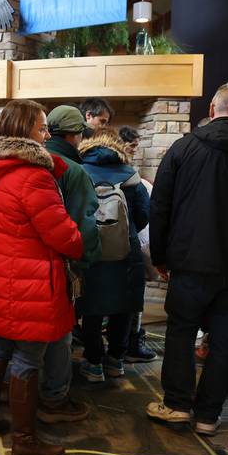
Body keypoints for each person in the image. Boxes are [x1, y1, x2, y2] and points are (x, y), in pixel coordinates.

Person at [146, 82, 228, 435]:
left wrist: (159, 256)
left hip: (190, 262)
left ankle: (177, 405)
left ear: (211, 110)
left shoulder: (183, 149)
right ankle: (208, 415)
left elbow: (159, 206)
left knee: (180, 332)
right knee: (226, 340)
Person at [0, 99, 83, 455]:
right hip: (30, 284)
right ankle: (25, 438)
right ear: (23, 131)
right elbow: (61, 234)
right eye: (41, 127)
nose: (47, 134)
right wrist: (79, 240)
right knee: (28, 358)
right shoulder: (33, 175)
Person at [36, 105, 100, 423]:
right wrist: (84, 263)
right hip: (60, 263)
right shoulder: (73, 171)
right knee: (60, 332)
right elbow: (84, 225)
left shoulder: (28, 165)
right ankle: (55, 396)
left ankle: (21, 390)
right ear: (75, 136)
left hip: (21, 264)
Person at [78, 128, 150, 382]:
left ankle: (93, 362)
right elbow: (144, 212)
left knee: (91, 307)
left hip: (91, 250)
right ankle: (115, 361)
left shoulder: (79, 171)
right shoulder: (131, 175)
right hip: (125, 251)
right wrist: (125, 232)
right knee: (124, 306)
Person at [118, 125, 158, 363]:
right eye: (131, 146)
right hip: (132, 242)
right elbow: (143, 215)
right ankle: (131, 342)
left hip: (113, 243)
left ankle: (115, 348)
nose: (134, 151)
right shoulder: (133, 179)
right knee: (133, 296)